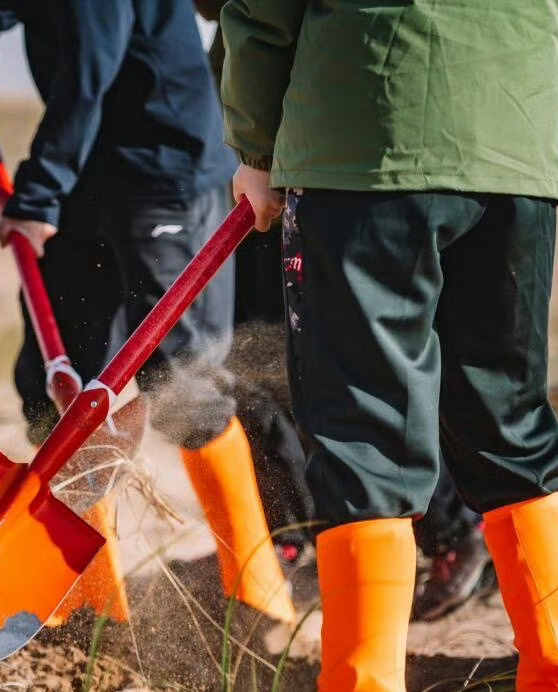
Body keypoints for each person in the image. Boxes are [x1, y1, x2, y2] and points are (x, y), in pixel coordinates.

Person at [209, 0, 558, 692]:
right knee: (508, 415)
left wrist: (254, 145)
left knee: (363, 424)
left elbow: (260, 10)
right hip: (516, 141)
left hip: (370, 134)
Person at [0, 0, 295, 626]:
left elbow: (88, 65)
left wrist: (38, 191)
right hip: (90, 164)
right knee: (56, 379)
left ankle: (260, 592)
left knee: (182, 382)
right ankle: (95, 609)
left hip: (164, 165)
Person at [192, 0, 492, 619]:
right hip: (258, 148)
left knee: (364, 367)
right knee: (262, 353)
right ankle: (299, 535)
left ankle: (450, 531)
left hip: (333, 153)